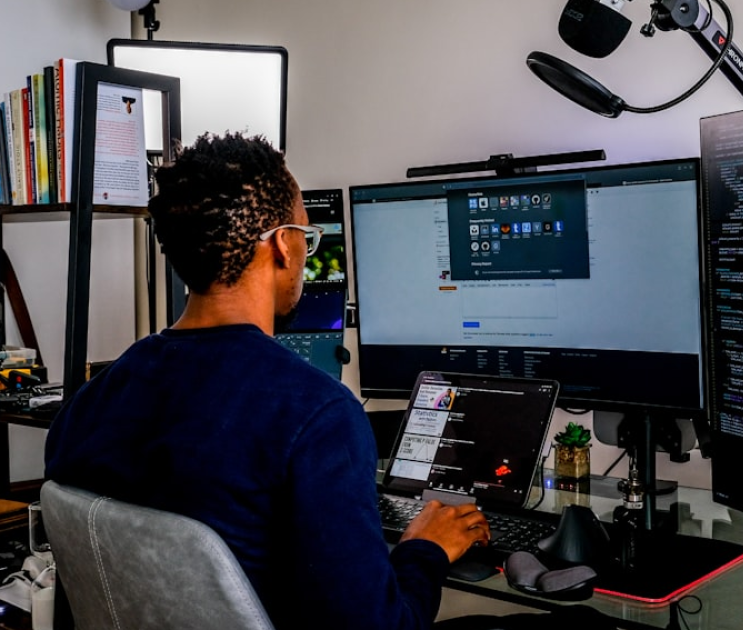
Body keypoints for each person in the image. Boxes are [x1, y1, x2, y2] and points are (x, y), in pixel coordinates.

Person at [44, 132, 491, 630]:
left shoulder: (91, 402)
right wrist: (425, 549)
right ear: (282, 244)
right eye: (305, 235)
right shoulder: (318, 416)